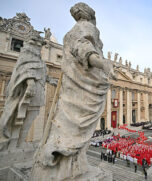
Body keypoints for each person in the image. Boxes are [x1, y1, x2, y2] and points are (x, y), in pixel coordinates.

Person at [31, 3, 115, 180]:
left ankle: (67, 166)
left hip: (73, 81)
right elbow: (83, 47)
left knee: (67, 122)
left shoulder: (70, 32)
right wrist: (103, 63)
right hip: (84, 83)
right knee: (76, 125)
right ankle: (66, 166)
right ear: (91, 15)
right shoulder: (87, 27)